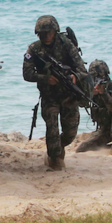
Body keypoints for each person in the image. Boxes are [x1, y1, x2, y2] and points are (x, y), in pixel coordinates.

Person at [23, 15, 87, 170]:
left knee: (70, 132)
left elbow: (82, 70)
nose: (46, 36)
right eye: (42, 33)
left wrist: (74, 77)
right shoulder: (34, 49)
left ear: (55, 31)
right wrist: (46, 78)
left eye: (49, 32)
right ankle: (54, 158)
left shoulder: (66, 45)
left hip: (68, 95)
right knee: (52, 125)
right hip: (49, 96)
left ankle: (57, 148)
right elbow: (27, 74)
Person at [77, 60, 112, 154]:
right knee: (83, 148)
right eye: (94, 77)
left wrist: (103, 94)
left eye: (99, 76)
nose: (97, 79)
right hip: (107, 128)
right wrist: (88, 93)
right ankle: (110, 147)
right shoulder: (93, 89)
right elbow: (81, 104)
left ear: (105, 75)